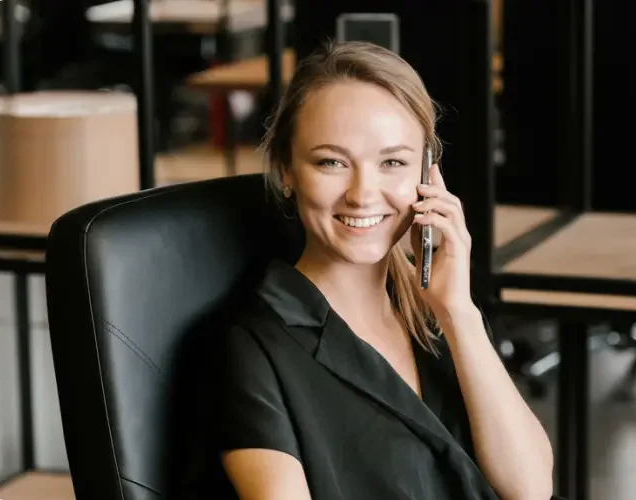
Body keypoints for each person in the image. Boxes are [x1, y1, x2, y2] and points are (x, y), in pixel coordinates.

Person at [215, 41, 555, 500]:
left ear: (428, 175)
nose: (363, 193)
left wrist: (459, 311)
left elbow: (531, 489)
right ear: (286, 170)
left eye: (392, 162)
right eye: (331, 162)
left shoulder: (432, 314)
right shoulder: (253, 347)